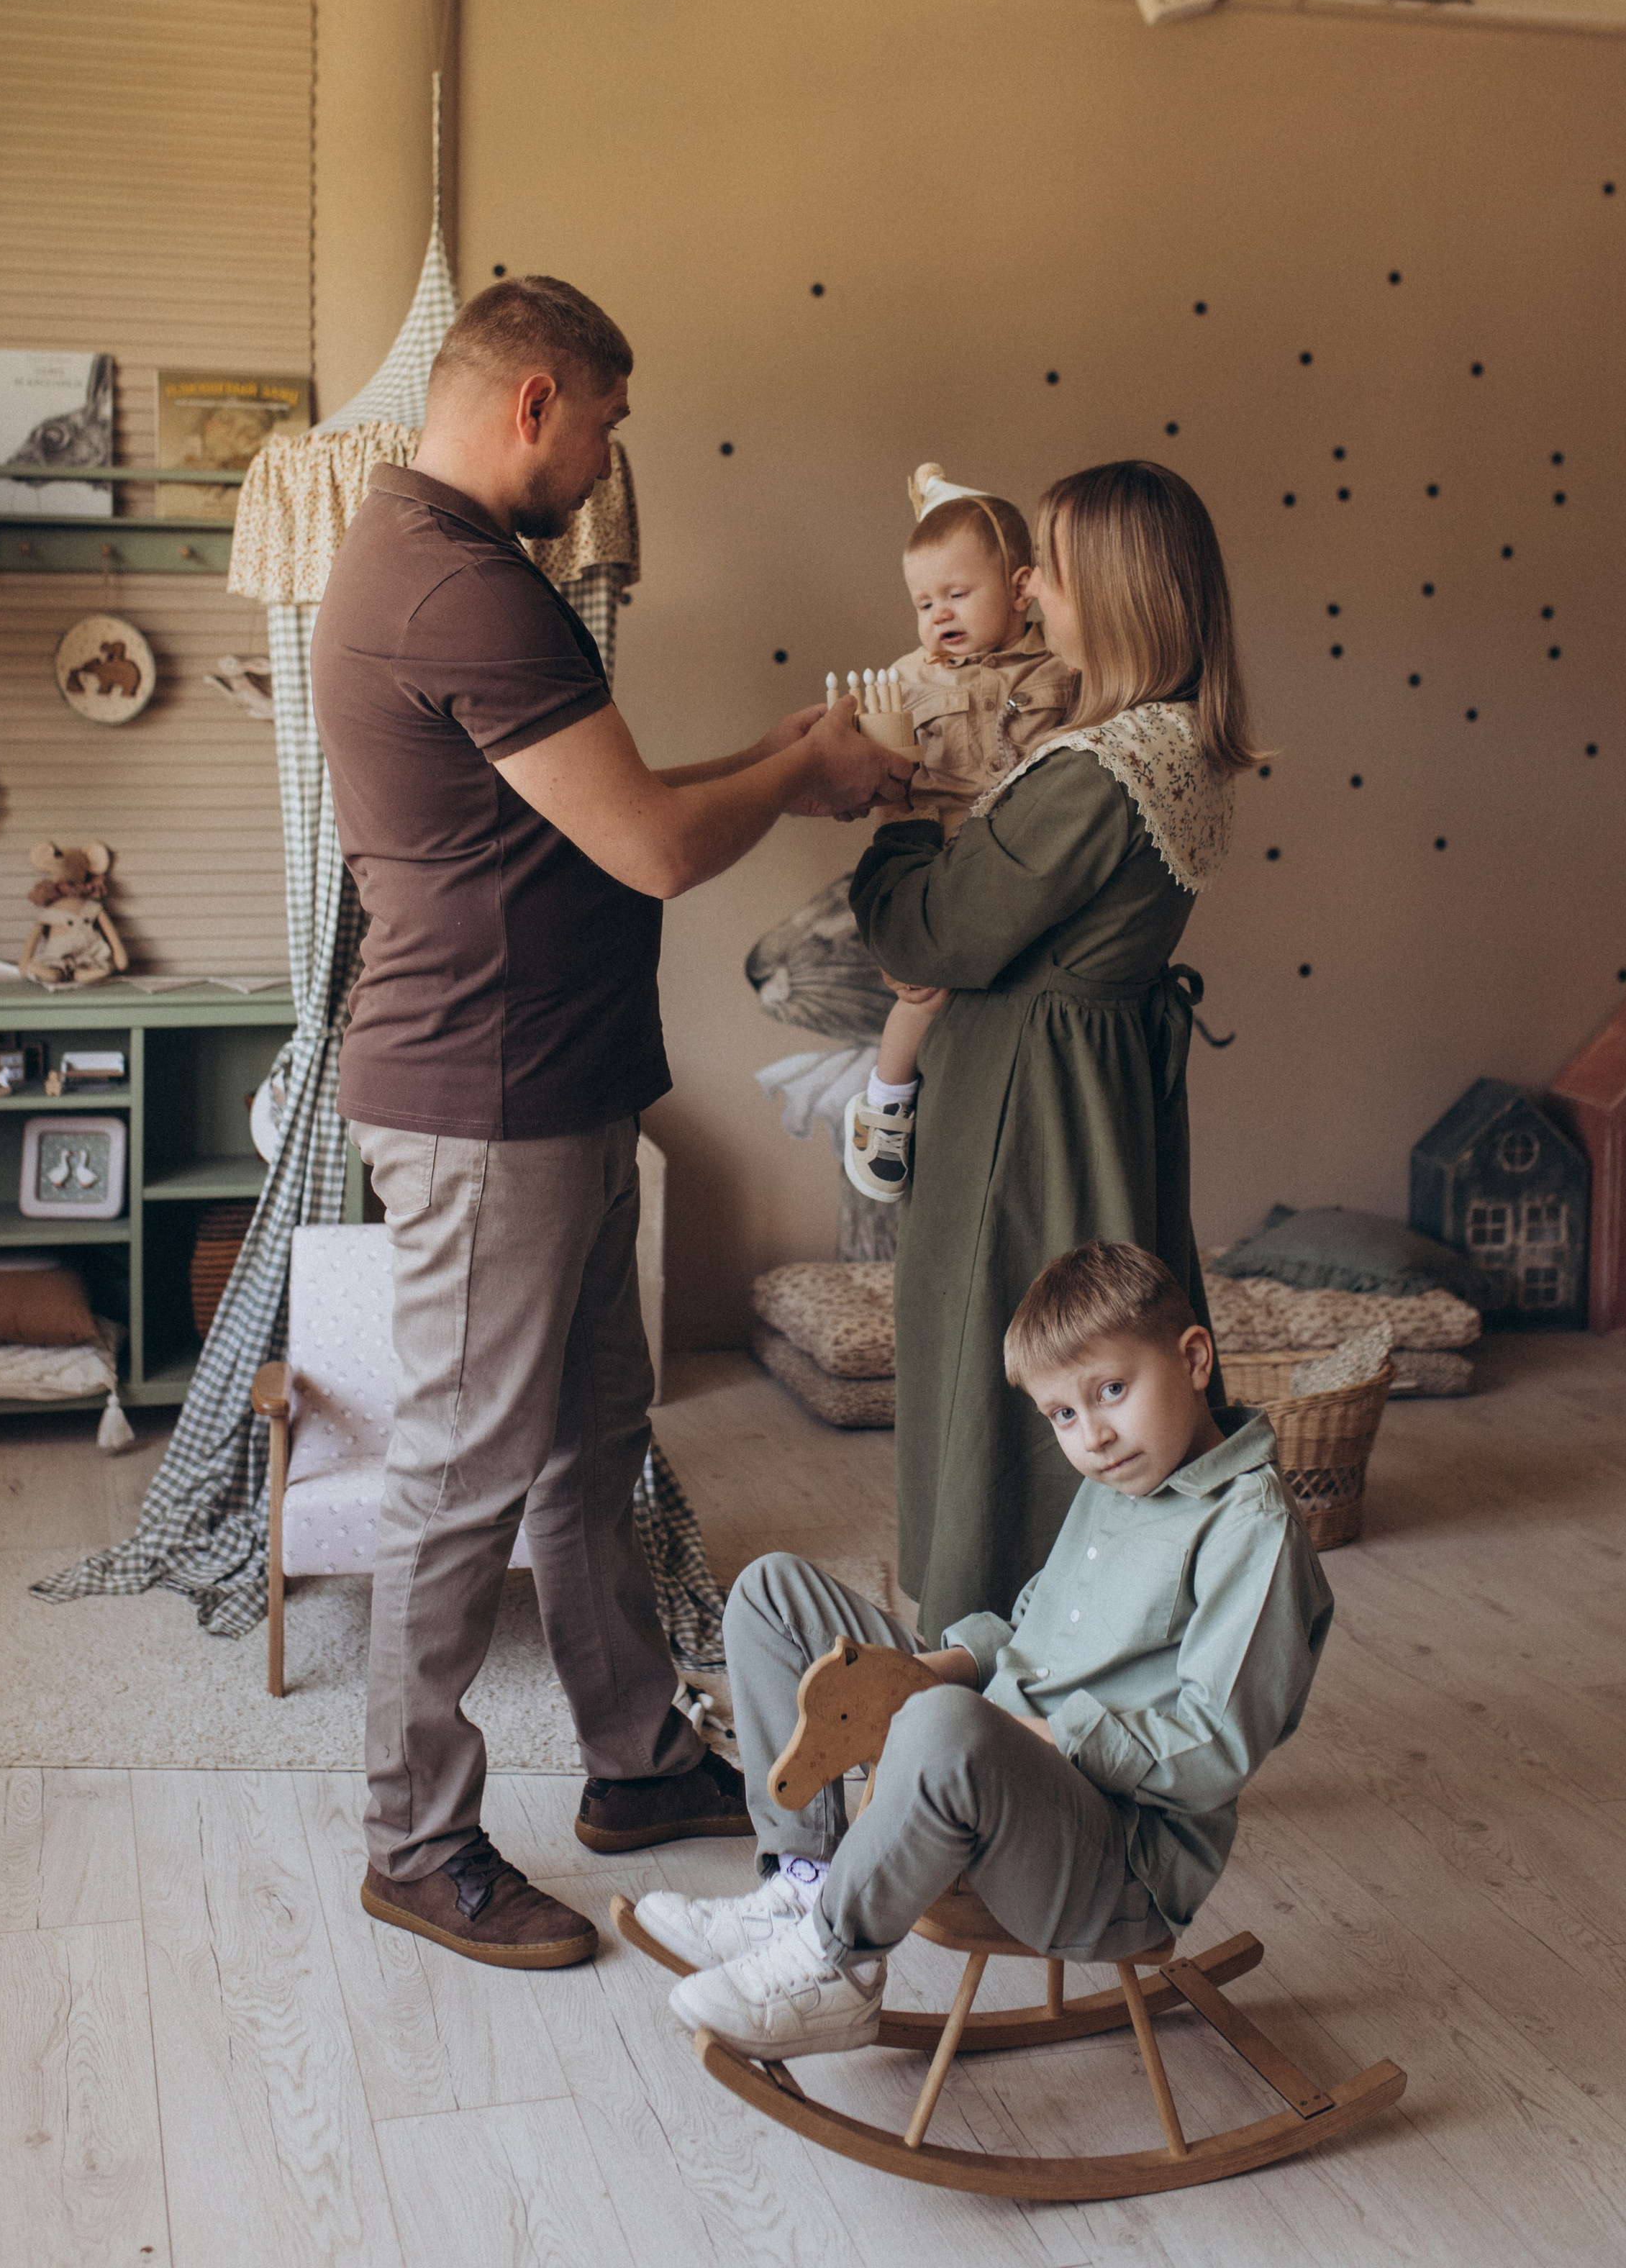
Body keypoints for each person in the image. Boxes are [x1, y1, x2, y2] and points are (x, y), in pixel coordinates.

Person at [311, 273, 904, 1974]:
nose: (605, 459)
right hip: (487, 1091)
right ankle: (412, 1841)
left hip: (551, 1077)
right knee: (460, 1467)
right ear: (533, 401)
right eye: (605, 424)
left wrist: (773, 748)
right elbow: (650, 843)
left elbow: (596, 809)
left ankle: (637, 1760)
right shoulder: (452, 582)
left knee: (590, 1439)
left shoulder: (454, 563)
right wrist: (792, 776)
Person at [632, 1243, 1332, 2061]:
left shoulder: (1253, 1533)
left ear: (1194, 1359)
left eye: (1112, 1390)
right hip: (990, 1753)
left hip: (1113, 1863)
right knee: (770, 1592)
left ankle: (838, 1969)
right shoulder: (1123, 1480)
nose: (1094, 1436)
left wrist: (1011, 1731)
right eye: (1063, 1416)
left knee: (946, 1724)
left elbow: (1213, 1751)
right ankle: (806, 1882)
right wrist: (925, 1674)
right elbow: (1031, 1631)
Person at [850, 458, 1258, 1643]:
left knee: (1007, 1352)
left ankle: (994, 1645)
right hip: (1091, 1087)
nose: (1029, 585)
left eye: (1057, 569)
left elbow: (934, 928)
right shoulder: (1174, 739)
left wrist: (894, 826)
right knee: (1096, 1355)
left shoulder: (1102, 772)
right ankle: (1088, 1633)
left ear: (1122, 595)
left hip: (1027, 1109)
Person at [840, 463, 1071, 1206]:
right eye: (923, 601)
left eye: (957, 594)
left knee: (1022, 995)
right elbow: (866, 760)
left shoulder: (1061, 671)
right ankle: (885, 1101)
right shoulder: (909, 679)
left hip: (1018, 867)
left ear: (1021, 587)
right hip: (933, 867)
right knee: (923, 992)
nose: (938, 613)